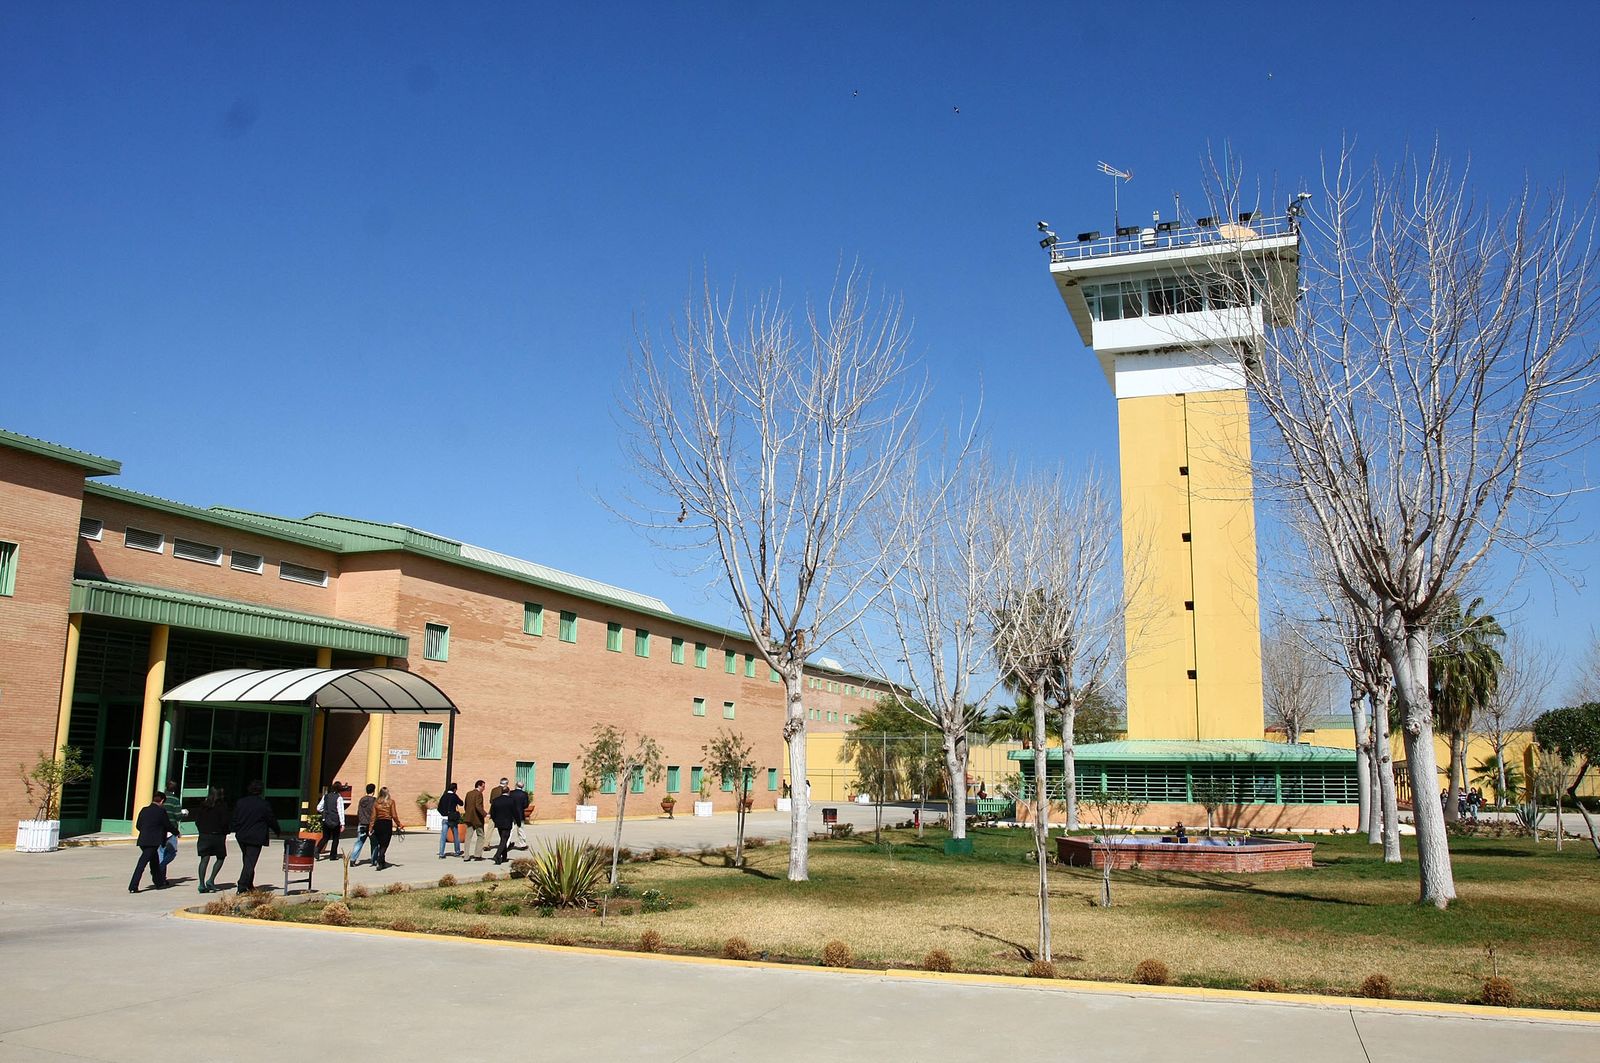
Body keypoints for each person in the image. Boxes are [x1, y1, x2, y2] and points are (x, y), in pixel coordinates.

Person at [230, 780, 281, 893]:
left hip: (242, 836)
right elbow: (270, 819)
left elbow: (234, 818)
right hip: (255, 837)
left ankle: (249, 883)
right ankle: (242, 886)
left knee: (247, 860)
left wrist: (234, 829)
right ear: (261, 791)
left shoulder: (241, 802)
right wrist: (277, 830)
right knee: (250, 862)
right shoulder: (263, 804)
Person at [129, 791, 177, 893]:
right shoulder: (161, 811)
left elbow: (138, 825)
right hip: (152, 841)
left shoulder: (144, 810)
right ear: (162, 801)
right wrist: (176, 832)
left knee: (154, 862)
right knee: (142, 864)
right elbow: (167, 825)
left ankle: (159, 882)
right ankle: (133, 886)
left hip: (143, 840)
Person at [191, 786, 230, 893]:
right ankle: (211, 879)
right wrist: (226, 831)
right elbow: (225, 821)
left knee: (204, 859)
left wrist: (202, 830)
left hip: (204, 835)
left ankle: (201, 883)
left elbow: (197, 821)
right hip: (217, 835)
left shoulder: (203, 806)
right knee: (221, 857)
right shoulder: (222, 806)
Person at [369, 786, 403, 870]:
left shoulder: (376, 802)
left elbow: (373, 816)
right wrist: (399, 824)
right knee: (385, 844)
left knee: (380, 843)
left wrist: (370, 828)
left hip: (378, 823)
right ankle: (380, 859)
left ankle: (382, 862)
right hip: (387, 823)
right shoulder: (391, 802)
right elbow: (394, 815)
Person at [348, 783, 377, 865]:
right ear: (373, 791)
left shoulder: (362, 800)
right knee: (374, 843)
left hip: (362, 823)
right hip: (371, 824)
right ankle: (374, 860)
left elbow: (358, 812)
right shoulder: (374, 801)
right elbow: (375, 813)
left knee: (359, 842)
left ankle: (353, 859)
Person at [317, 782, 346, 861]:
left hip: (326, 819)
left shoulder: (325, 796)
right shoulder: (339, 798)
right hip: (335, 821)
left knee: (325, 837)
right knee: (335, 838)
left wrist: (325, 811)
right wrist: (342, 824)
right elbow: (341, 811)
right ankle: (333, 855)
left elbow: (318, 808)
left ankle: (317, 850)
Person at [489, 784, 517, 864]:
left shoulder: (495, 800)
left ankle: (504, 857)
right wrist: (517, 821)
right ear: (508, 792)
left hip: (499, 823)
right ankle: (497, 855)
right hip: (507, 823)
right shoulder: (511, 800)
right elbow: (515, 812)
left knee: (503, 839)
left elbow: (492, 813)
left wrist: (495, 820)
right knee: (504, 839)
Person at [159, 778, 183, 871]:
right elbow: (178, 816)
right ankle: (160, 868)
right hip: (171, 829)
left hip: (160, 828)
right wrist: (183, 814)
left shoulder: (160, 798)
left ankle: (161, 876)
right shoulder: (175, 800)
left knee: (161, 851)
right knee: (172, 852)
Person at [462, 779, 487, 861]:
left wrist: (468, 813)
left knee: (468, 837)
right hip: (477, 819)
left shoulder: (468, 793)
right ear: (479, 786)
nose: (484, 788)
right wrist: (485, 814)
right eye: (483, 786)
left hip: (469, 818)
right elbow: (478, 806)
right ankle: (477, 854)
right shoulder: (479, 794)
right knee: (481, 836)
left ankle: (466, 855)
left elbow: (465, 806)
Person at [437, 782, 463, 859]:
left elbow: (439, 807)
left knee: (443, 836)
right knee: (455, 835)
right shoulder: (454, 796)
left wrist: (443, 814)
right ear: (454, 789)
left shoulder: (444, 796)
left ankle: (441, 853)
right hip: (452, 819)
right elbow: (461, 803)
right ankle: (457, 851)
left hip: (444, 818)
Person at [510, 780, 531, 850]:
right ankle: (523, 844)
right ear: (522, 787)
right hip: (520, 814)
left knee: (510, 829)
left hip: (511, 813)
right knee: (521, 829)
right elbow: (526, 805)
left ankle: (506, 843)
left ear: (516, 785)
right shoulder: (524, 794)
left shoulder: (511, 793)